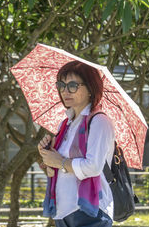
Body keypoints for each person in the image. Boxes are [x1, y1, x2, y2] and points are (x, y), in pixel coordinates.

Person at [38, 60, 115, 227]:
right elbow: (56, 170)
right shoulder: (65, 124)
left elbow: (93, 167)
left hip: (90, 212)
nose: (65, 91)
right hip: (63, 212)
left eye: (73, 85)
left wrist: (60, 161)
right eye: (62, 85)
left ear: (90, 88)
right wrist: (47, 156)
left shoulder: (99, 121)